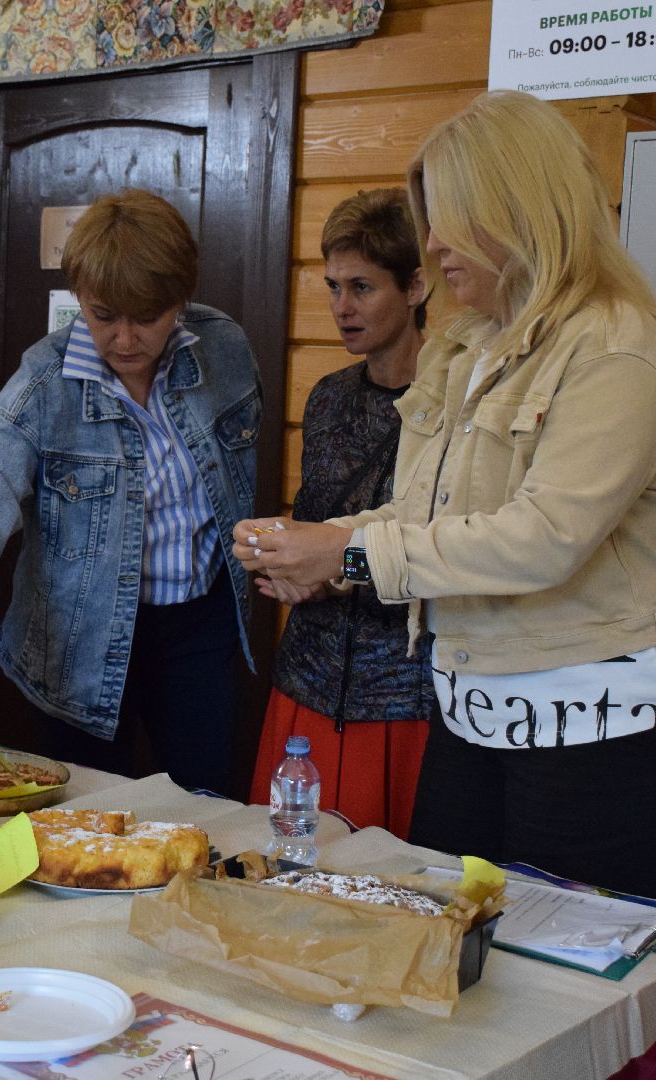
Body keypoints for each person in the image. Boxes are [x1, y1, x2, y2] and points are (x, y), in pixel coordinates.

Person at [232, 91, 656, 902]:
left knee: (564, 985)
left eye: (452, 218)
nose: (436, 245)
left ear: (521, 209)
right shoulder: (468, 346)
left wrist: (347, 549)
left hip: (603, 736)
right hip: (472, 718)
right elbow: (425, 514)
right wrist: (323, 554)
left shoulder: (614, 341)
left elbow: (544, 536)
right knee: (458, 951)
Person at [0, 190, 261, 795]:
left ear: (180, 300)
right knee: (81, 818)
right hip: (77, 640)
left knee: (203, 807)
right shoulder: (44, 381)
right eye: (104, 315)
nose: (125, 338)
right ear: (80, 296)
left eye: (147, 316)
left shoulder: (226, 349)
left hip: (197, 631)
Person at [247, 189, 434, 838]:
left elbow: (447, 554)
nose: (341, 308)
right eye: (332, 287)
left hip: (402, 698)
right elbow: (314, 526)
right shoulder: (328, 401)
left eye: (361, 287)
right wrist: (287, 564)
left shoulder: (452, 408)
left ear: (415, 287)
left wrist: (333, 568)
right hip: (307, 685)